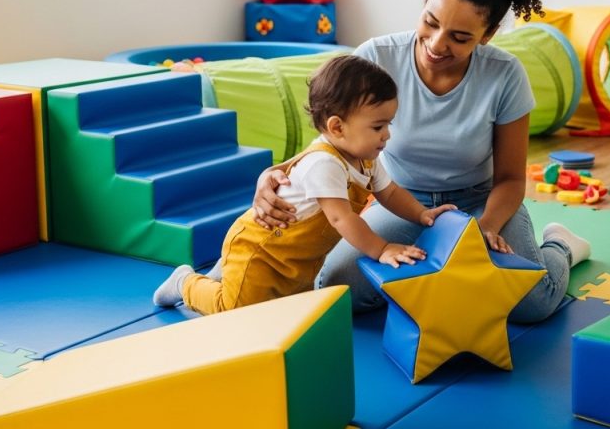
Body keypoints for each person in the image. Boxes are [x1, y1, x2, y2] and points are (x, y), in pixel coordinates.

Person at [252, 0, 591, 324]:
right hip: (400, 199)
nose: (436, 43)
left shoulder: (504, 75)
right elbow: (332, 137)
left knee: (533, 303)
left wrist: (483, 228)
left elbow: (510, 180)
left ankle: (559, 245)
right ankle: (437, 272)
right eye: (430, 22)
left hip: (480, 203)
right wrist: (275, 173)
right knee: (338, 289)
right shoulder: (376, 57)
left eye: (460, 37)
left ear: (487, 36)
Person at [153, 55, 455, 314]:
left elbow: (389, 193)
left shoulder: (365, 158)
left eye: (389, 124)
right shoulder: (325, 164)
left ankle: (224, 272)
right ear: (337, 127)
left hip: (297, 258)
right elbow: (341, 218)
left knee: (289, 314)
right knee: (233, 309)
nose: (387, 134)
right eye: (378, 126)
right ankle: (186, 282)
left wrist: (421, 214)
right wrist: (382, 248)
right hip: (262, 251)